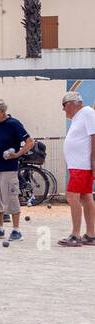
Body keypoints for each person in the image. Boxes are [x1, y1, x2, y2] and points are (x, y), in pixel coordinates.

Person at [0, 98, 34, 242]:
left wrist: (18, 154)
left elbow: (30, 142)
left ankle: (16, 230)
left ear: (2, 111)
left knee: (11, 197)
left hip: (9, 168)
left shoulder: (14, 124)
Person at [58, 91, 95, 247]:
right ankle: (91, 235)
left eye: (64, 106)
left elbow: (94, 137)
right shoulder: (78, 117)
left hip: (82, 165)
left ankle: (75, 235)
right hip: (79, 165)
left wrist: (93, 160)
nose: (63, 110)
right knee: (85, 197)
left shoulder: (87, 113)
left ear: (72, 103)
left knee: (72, 196)